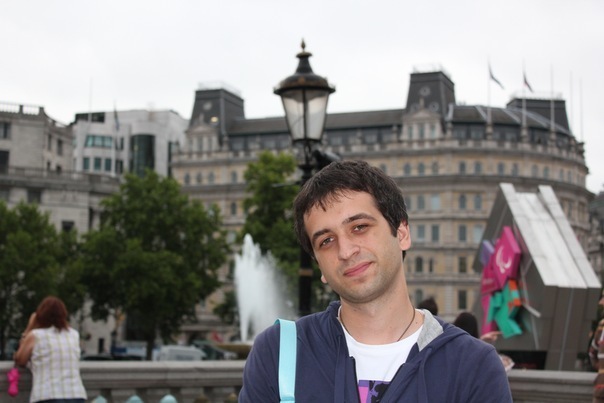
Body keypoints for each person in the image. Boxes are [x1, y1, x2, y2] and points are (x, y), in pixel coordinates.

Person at [240, 160, 512, 402]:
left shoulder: (473, 365)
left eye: (359, 227)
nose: (346, 251)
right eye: (326, 241)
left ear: (402, 233)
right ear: (319, 266)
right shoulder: (279, 352)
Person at [14, 296, 87, 403]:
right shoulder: (74, 334)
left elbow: (20, 359)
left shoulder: (36, 335)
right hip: (76, 394)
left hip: (47, 395)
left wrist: (30, 327)